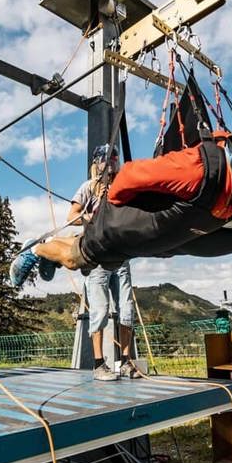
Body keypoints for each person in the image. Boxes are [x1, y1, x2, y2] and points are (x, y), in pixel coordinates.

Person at [10, 134, 232, 285]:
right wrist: (115, 209)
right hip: (125, 223)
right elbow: (131, 174)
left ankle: (46, 251)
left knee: (89, 259)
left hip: (142, 240)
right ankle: (36, 250)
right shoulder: (201, 170)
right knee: (75, 258)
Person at [68, 145, 137, 381]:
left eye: (115, 159)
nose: (112, 163)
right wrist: (89, 218)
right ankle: (99, 364)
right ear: (97, 162)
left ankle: (126, 362)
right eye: (107, 159)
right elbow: (71, 217)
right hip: (97, 257)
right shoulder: (88, 188)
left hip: (121, 256)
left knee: (126, 308)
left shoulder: (123, 187)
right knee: (101, 310)